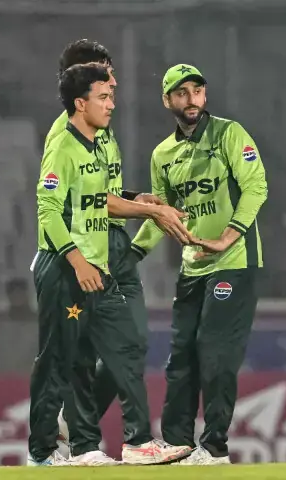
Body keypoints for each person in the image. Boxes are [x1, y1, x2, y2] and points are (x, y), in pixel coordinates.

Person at [28, 63, 193, 467]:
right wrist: (76, 259)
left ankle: (130, 442)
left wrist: (142, 201)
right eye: (104, 96)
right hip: (66, 265)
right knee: (62, 360)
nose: (112, 103)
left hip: (99, 263)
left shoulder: (103, 142)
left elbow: (103, 197)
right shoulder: (62, 147)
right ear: (80, 103)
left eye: (112, 96)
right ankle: (43, 452)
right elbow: (48, 210)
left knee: (121, 346)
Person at [131, 64, 268, 465]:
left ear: (205, 96)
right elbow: (164, 215)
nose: (191, 99)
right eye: (181, 92)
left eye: (197, 90)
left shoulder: (230, 134)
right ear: (167, 100)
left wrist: (228, 235)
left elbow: (257, 185)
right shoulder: (163, 154)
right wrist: (132, 255)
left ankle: (214, 448)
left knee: (215, 351)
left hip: (234, 262)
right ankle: (176, 446)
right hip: (192, 267)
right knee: (181, 357)